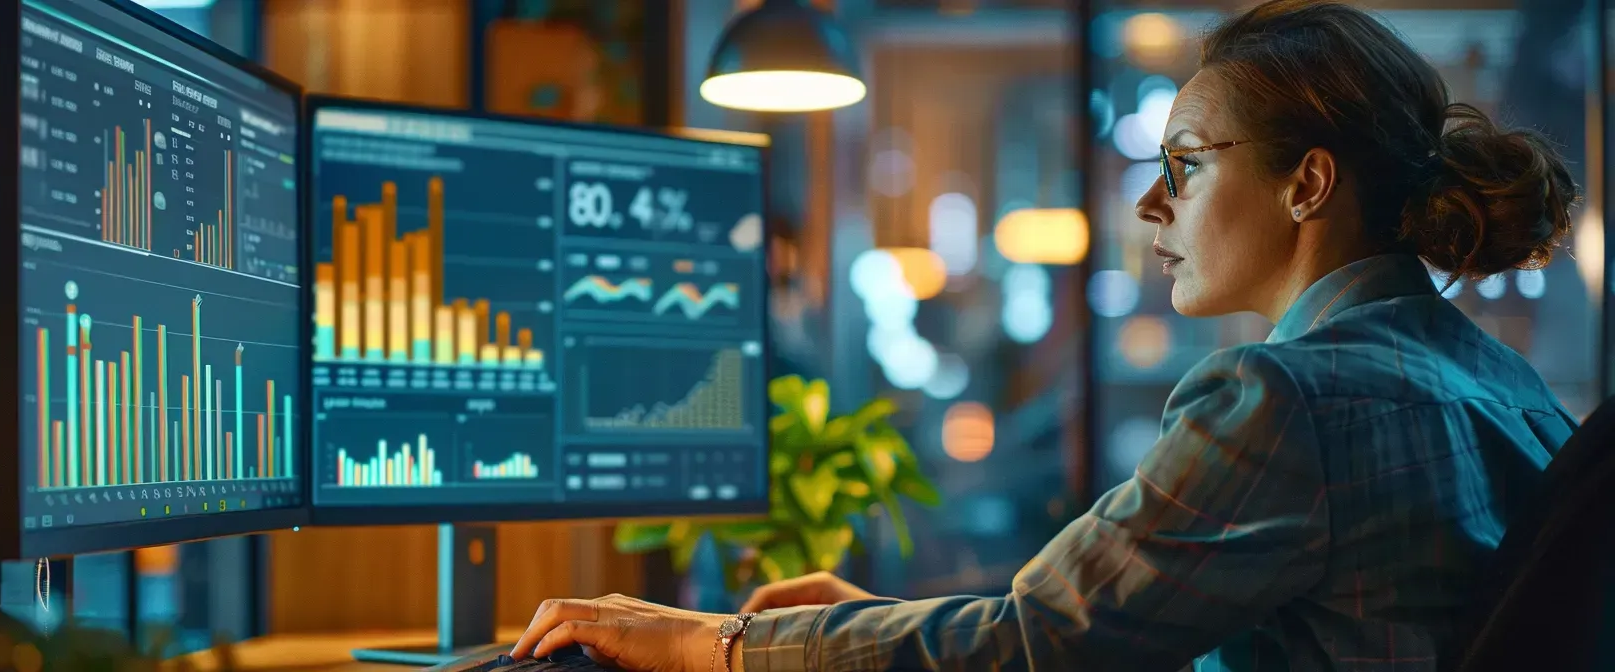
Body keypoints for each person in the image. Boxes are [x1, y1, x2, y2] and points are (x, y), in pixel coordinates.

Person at [508, 0, 1582, 669]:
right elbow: (1089, 619)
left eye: (1184, 166)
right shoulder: (1497, 381)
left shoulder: (1284, 397)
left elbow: (1039, 649)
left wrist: (718, 644)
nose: (1151, 210)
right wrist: (876, 624)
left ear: (1305, 182)